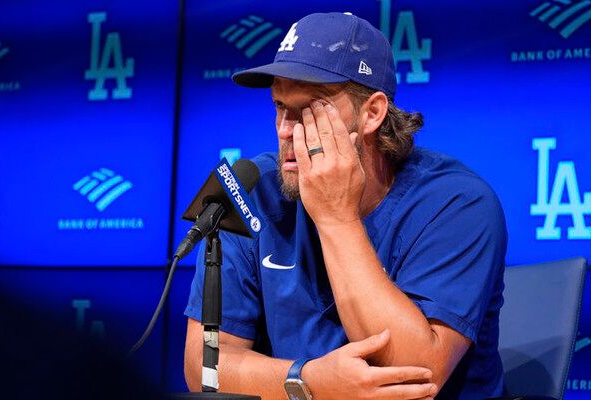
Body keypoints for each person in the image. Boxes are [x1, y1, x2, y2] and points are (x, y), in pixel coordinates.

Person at [184, 12, 506, 400]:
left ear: (372, 113)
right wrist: (309, 383)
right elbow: (204, 368)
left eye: (309, 110)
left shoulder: (458, 203)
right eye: (280, 106)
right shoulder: (251, 191)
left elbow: (413, 378)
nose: (285, 130)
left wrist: (336, 218)